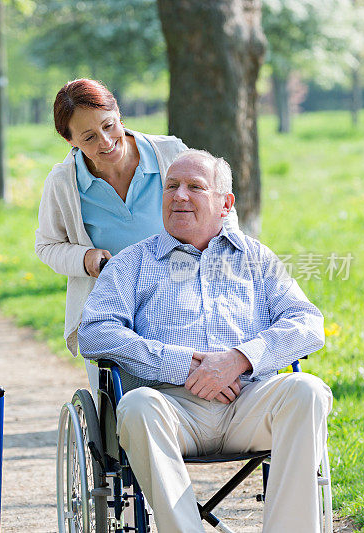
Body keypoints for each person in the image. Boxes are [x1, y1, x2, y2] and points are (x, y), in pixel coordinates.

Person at [78, 149, 332, 532]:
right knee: (137, 406)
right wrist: (183, 364)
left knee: (307, 391)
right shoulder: (132, 264)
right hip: (172, 409)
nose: (179, 196)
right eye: (171, 187)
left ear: (225, 203)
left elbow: (308, 323)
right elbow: (95, 331)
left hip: (247, 403)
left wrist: (238, 359)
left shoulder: (256, 260)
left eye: (195, 187)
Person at [35, 78, 236, 396]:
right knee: (127, 404)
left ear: (118, 112)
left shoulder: (169, 152)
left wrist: (223, 253)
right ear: (70, 141)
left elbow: (219, 207)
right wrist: (84, 258)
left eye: (108, 125)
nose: (105, 142)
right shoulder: (63, 183)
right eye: (89, 137)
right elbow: (47, 245)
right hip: (115, 308)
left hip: (184, 296)